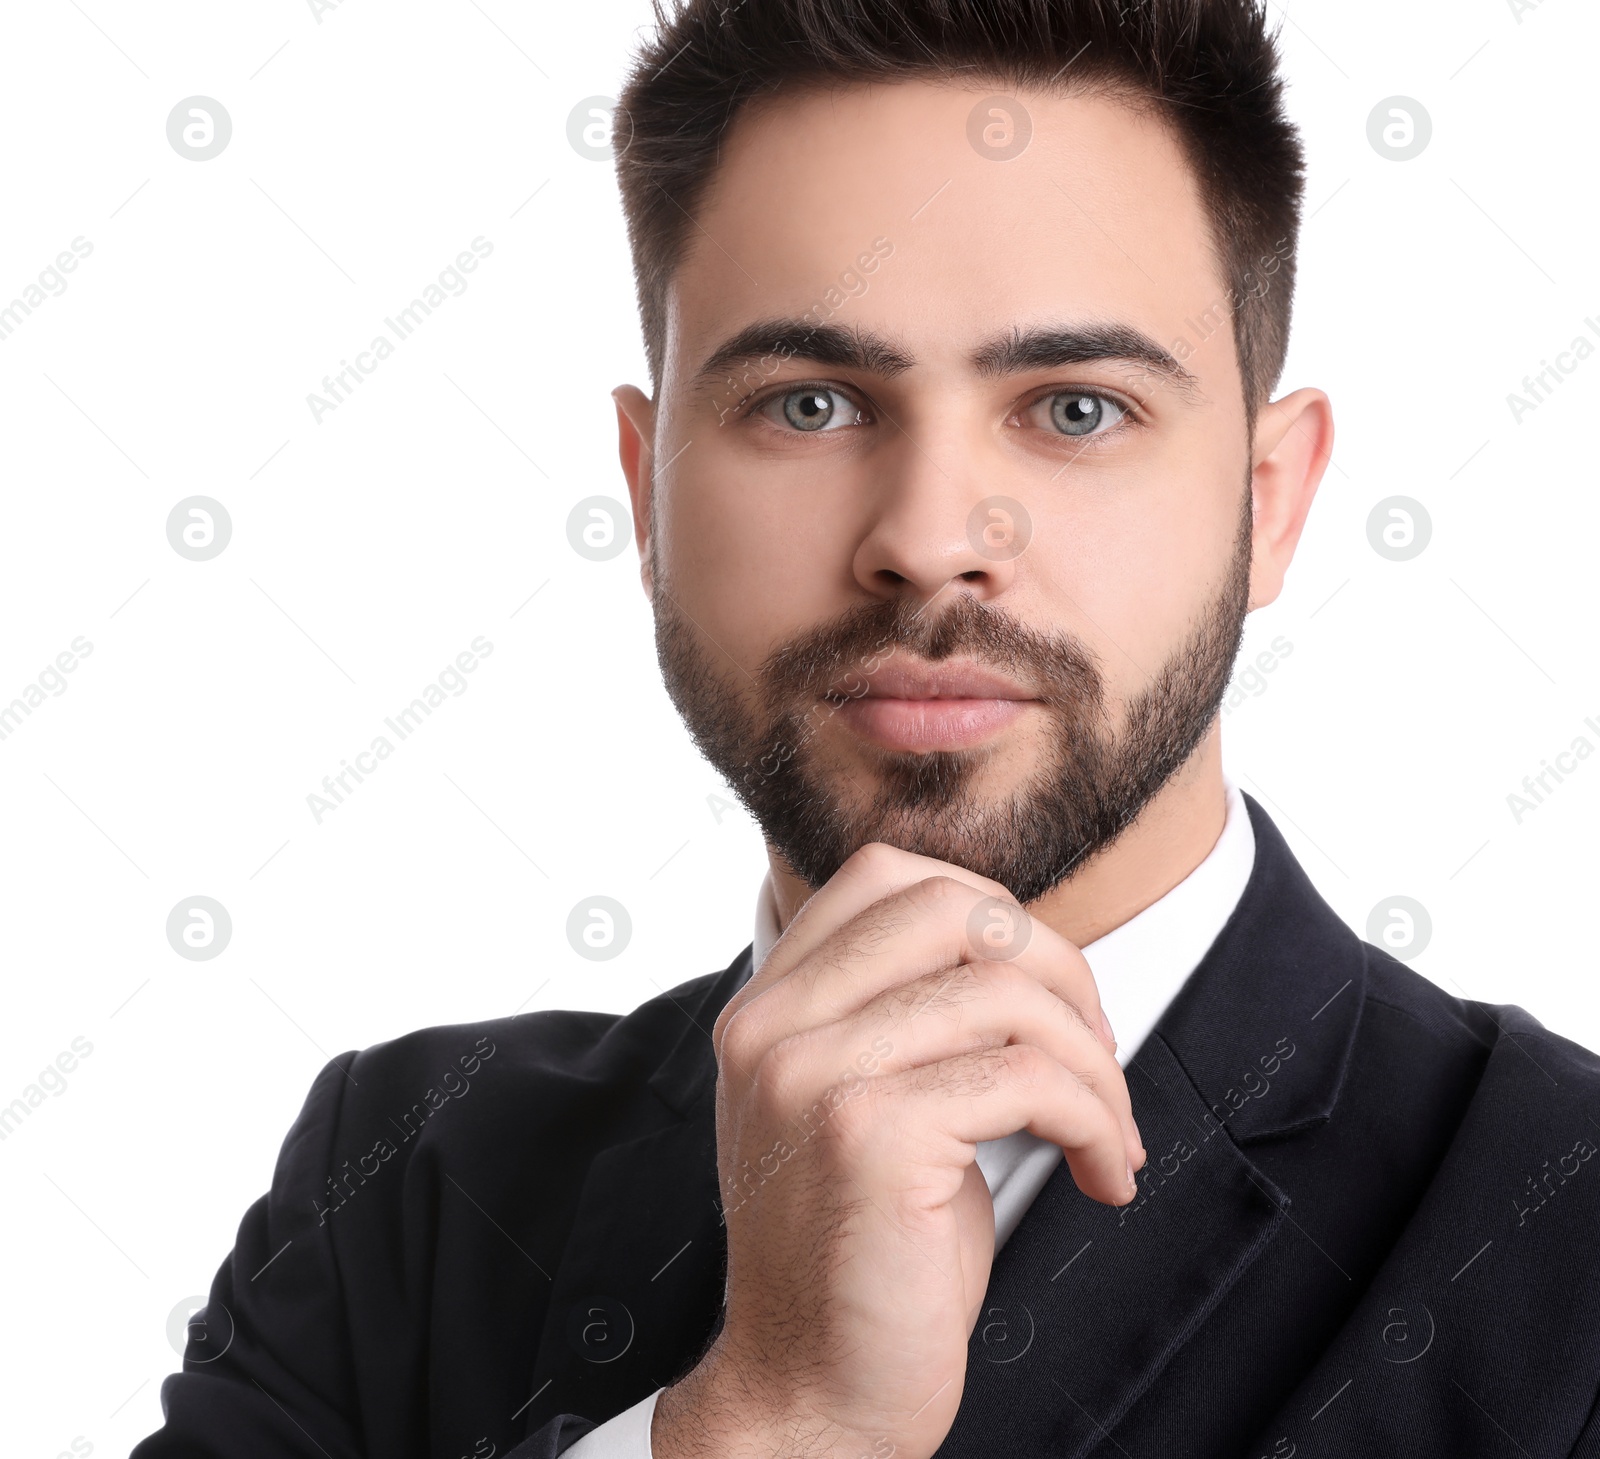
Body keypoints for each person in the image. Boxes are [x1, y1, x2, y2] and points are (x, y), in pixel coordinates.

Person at [131, 1, 1600, 1456]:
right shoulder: (409, 1181)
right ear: (647, 492)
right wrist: (770, 1426)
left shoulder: (1559, 1217)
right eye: (812, 404)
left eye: (1076, 410)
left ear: (1268, 502)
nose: (929, 539)